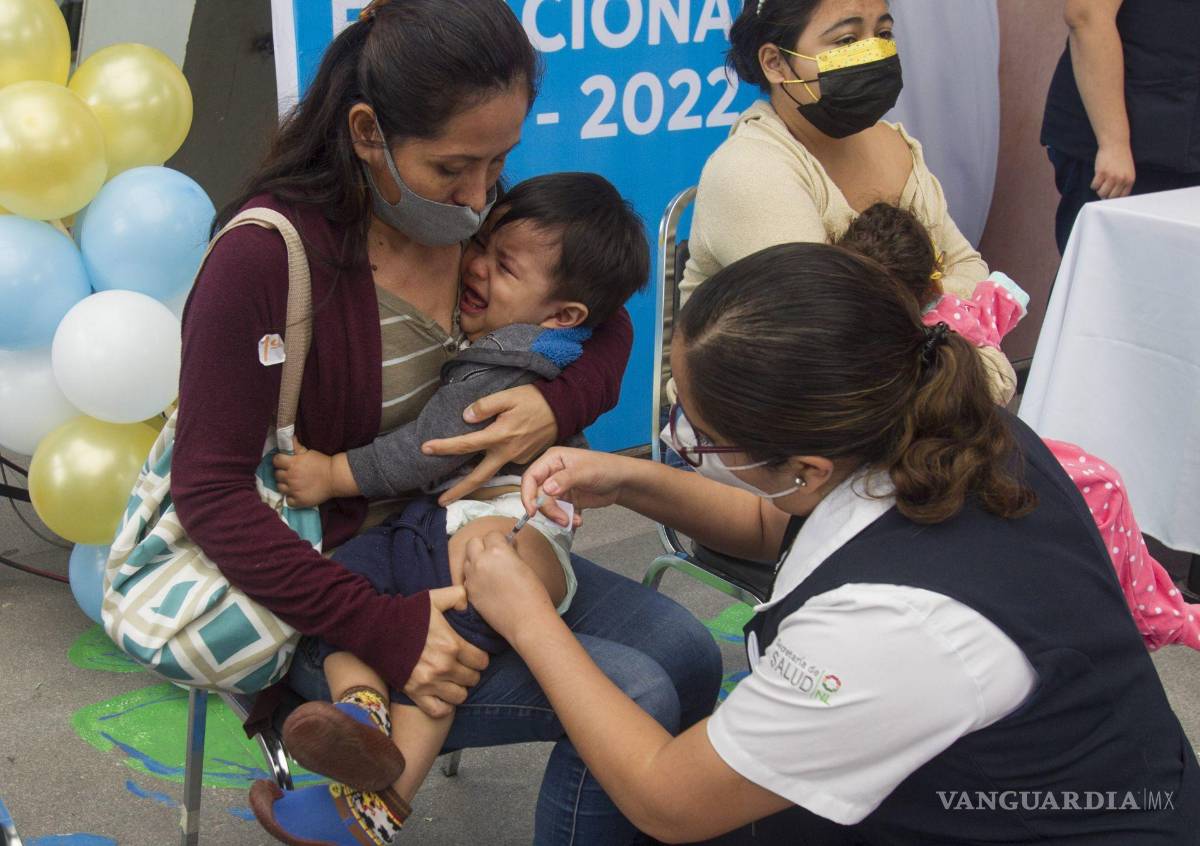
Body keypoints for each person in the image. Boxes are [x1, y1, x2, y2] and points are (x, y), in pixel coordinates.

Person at [170, 1, 721, 842]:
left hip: (460, 537)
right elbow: (209, 494)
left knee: (689, 650)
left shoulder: (477, 221)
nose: (477, 198)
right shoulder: (265, 257)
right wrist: (379, 625)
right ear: (366, 133)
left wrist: (554, 403)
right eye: (455, 168)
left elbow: (602, 322)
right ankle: (359, 796)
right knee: (633, 694)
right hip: (335, 586)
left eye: (498, 163)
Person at [457, 242, 1200, 844]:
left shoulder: (896, 627)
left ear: (808, 466)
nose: (681, 442)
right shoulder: (946, 426)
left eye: (700, 436)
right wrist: (626, 480)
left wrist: (529, 617)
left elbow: (666, 800)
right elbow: (776, 526)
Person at [250, 172, 650, 844]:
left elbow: (427, 449)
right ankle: (362, 714)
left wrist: (331, 474)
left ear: (562, 316)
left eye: (504, 264)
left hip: (503, 531)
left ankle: (376, 804)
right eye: (483, 244)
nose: (477, 264)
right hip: (437, 525)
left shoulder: (508, 359)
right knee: (351, 583)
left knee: (442, 657)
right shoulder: (536, 336)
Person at [837, 202, 1200, 653]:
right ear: (934, 278)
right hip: (961, 462)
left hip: (945, 456)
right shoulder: (947, 334)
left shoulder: (854, 336)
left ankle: (1151, 605)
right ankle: (1154, 614)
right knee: (1099, 484)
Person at [675, 0, 1014, 401]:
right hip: (780, 419)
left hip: (903, 388)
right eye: (847, 39)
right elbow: (830, 332)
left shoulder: (893, 142)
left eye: (883, 34)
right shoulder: (749, 168)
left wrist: (922, 321)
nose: (872, 51)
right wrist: (944, 322)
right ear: (776, 64)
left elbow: (967, 266)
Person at [1042, 0, 1200, 255]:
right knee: (1104, 282)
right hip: (1122, 154)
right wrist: (1113, 143)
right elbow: (1085, 16)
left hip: (1186, 149)